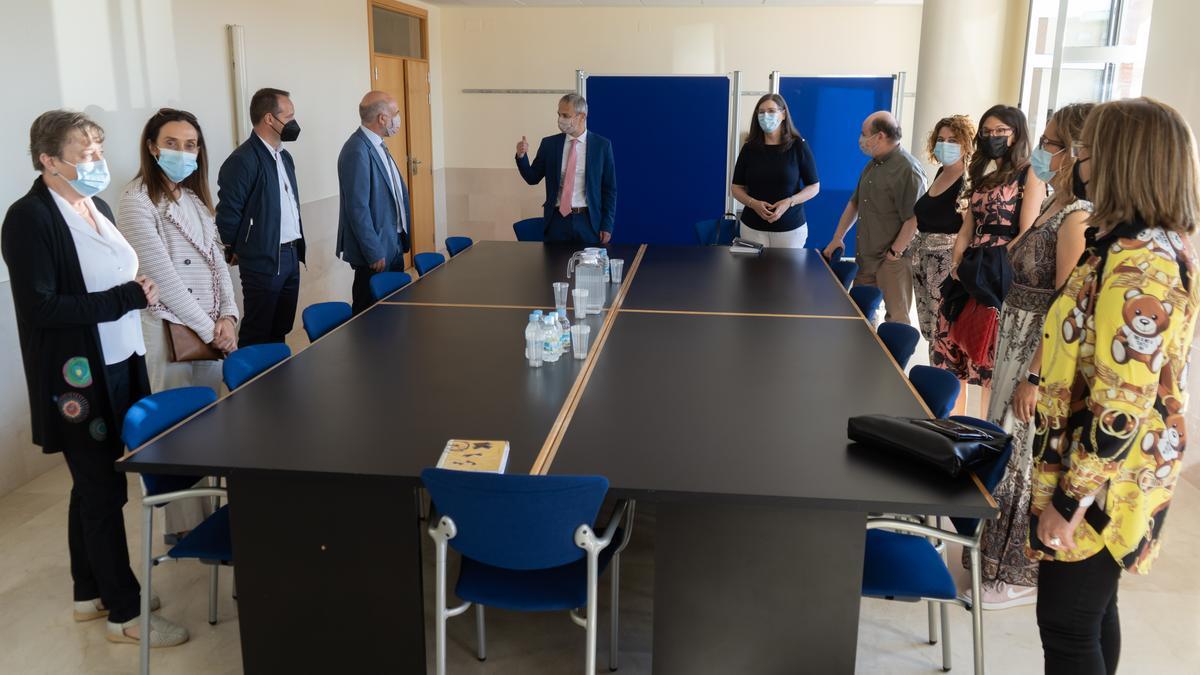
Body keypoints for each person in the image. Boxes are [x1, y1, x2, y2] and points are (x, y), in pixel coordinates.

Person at [1, 110, 188, 646]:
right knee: (102, 491)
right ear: (47, 160)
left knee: (94, 488)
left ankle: (90, 591)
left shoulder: (96, 206)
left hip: (120, 359)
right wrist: (125, 297)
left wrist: (138, 288)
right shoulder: (28, 218)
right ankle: (125, 614)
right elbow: (40, 307)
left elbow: (110, 275)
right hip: (76, 380)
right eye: (86, 155)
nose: (98, 163)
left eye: (99, 151)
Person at [1027, 97, 1199, 675]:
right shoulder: (1130, 242)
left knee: (1068, 626)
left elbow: (1120, 405)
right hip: (1109, 467)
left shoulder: (1137, 262)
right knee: (1094, 615)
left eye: (1088, 149)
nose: (1079, 160)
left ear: (1120, 160)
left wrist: (1071, 500)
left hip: (1102, 474)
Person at [972, 103, 1093, 610]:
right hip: (1013, 335)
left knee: (1023, 453)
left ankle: (1018, 568)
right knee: (1003, 442)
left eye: (1050, 143)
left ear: (1076, 152)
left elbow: (1067, 303)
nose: (1041, 151)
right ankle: (990, 552)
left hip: (1036, 349)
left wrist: (1035, 377)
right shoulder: (1048, 203)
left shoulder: (1075, 216)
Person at [117, 108, 239, 542]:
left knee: (210, 428)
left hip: (210, 330)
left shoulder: (193, 199)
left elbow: (218, 264)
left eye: (191, 145)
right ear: (152, 146)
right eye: (172, 143)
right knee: (178, 435)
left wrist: (229, 316)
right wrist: (212, 329)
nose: (183, 152)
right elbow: (162, 276)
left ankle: (212, 517)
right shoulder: (136, 200)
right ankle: (185, 529)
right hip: (169, 330)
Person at [932, 105, 1046, 402]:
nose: (992, 137)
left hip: (998, 271)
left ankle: (981, 432)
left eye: (1000, 131)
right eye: (987, 132)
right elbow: (968, 225)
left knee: (986, 354)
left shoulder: (1030, 172)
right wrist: (958, 261)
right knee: (951, 342)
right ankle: (948, 423)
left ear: (1016, 134)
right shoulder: (981, 172)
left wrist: (992, 263)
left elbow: (1028, 230)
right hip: (970, 267)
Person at [216, 87, 305, 346]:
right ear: (269, 119)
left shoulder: (284, 157)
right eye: (288, 116)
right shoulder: (242, 160)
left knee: (280, 326)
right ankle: (251, 384)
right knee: (258, 329)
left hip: (290, 254)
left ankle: (278, 381)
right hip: (262, 258)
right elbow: (228, 216)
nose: (293, 122)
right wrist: (240, 249)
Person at [822, 111, 927, 324]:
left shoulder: (908, 169)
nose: (860, 139)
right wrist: (838, 236)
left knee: (896, 320)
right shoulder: (873, 165)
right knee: (862, 317)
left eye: (863, 133)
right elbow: (855, 203)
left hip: (892, 261)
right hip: (867, 258)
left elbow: (913, 218)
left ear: (879, 136)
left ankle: (893, 359)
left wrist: (893, 253)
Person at [336, 90, 411, 313]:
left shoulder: (378, 145)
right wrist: (373, 251)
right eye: (395, 113)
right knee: (369, 314)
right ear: (382, 118)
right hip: (376, 251)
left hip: (393, 242)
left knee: (394, 310)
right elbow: (357, 209)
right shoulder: (356, 150)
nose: (398, 118)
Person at [908, 115, 974, 355]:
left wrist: (958, 267)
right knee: (932, 332)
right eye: (941, 139)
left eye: (953, 140)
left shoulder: (967, 180)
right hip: (925, 262)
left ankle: (944, 389)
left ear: (966, 143)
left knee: (945, 333)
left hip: (947, 267)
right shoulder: (940, 173)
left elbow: (969, 230)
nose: (945, 144)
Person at [515, 94, 617, 245]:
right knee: (554, 267)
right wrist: (521, 156)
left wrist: (607, 225)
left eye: (566, 115)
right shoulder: (549, 144)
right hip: (556, 221)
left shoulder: (602, 146)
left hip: (588, 221)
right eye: (559, 114)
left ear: (582, 116)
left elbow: (609, 189)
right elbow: (532, 177)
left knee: (588, 268)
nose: (560, 119)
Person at [731, 94, 820, 248]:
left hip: (791, 230)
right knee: (752, 272)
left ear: (783, 114)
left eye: (771, 111)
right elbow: (736, 187)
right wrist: (753, 203)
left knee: (787, 273)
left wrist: (789, 202)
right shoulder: (749, 148)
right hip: (752, 229)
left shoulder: (798, 146)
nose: (766, 116)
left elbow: (814, 186)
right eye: (761, 112)